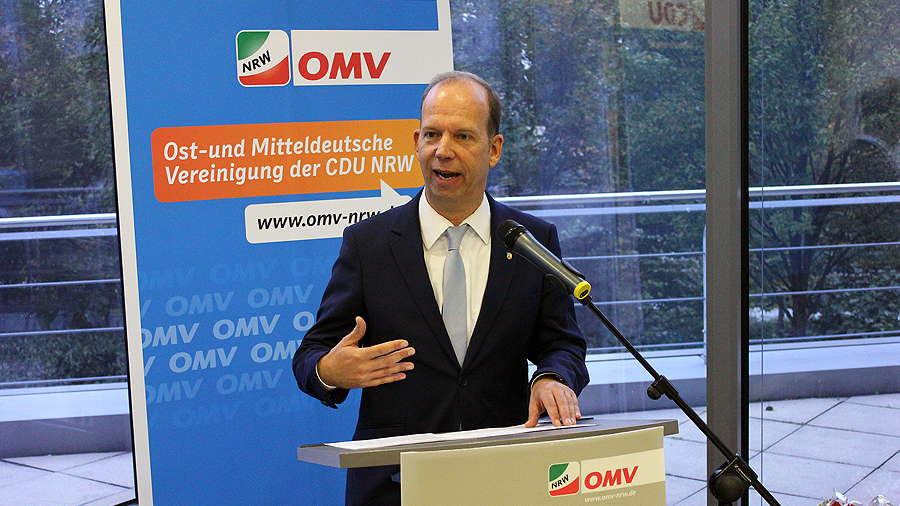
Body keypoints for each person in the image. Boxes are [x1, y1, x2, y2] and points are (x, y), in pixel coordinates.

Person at [292, 71, 589, 506]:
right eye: (432, 134)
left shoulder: (531, 241)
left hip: (504, 475)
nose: (443, 150)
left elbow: (563, 343)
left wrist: (551, 377)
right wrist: (329, 371)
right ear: (417, 142)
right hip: (394, 483)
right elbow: (311, 354)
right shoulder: (369, 244)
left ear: (494, 149)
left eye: (462, 136)